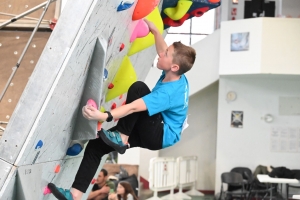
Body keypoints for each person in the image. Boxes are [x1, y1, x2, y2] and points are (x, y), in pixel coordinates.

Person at [47, 19, 196, 200]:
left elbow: (134, 107)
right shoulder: (175, 73)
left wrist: (104, 115)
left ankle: (122, 138)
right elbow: (163, 49)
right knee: (96, 147)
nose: (161, 53)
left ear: (174, 67)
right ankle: (75, 195)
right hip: (158, 132)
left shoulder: (169, 93)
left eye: (166, 54)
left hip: (160, 133)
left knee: (139, 88)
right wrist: (156, 31)